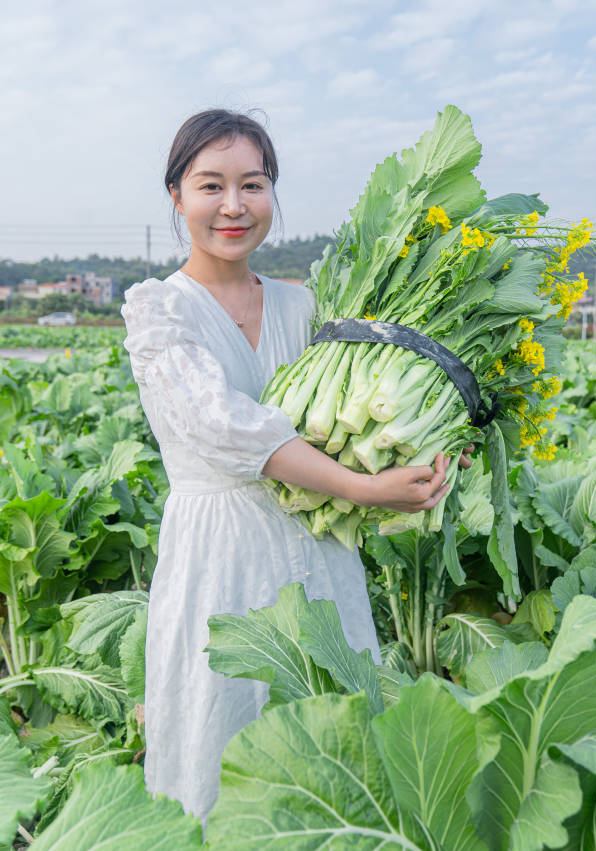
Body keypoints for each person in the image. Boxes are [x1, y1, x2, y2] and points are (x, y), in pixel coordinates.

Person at [121, 109, 471, 828]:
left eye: (253, 184)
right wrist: (364, 487)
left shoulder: (307, 307)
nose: (233, 205)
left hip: (318, 550)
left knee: (330, 736)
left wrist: (430, 441)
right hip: (219, 552)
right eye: (211, 185)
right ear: (176, 195)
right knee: (219, 721)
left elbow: (357, 410)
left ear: (272, 193)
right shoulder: (159, 310)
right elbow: (221, 425)